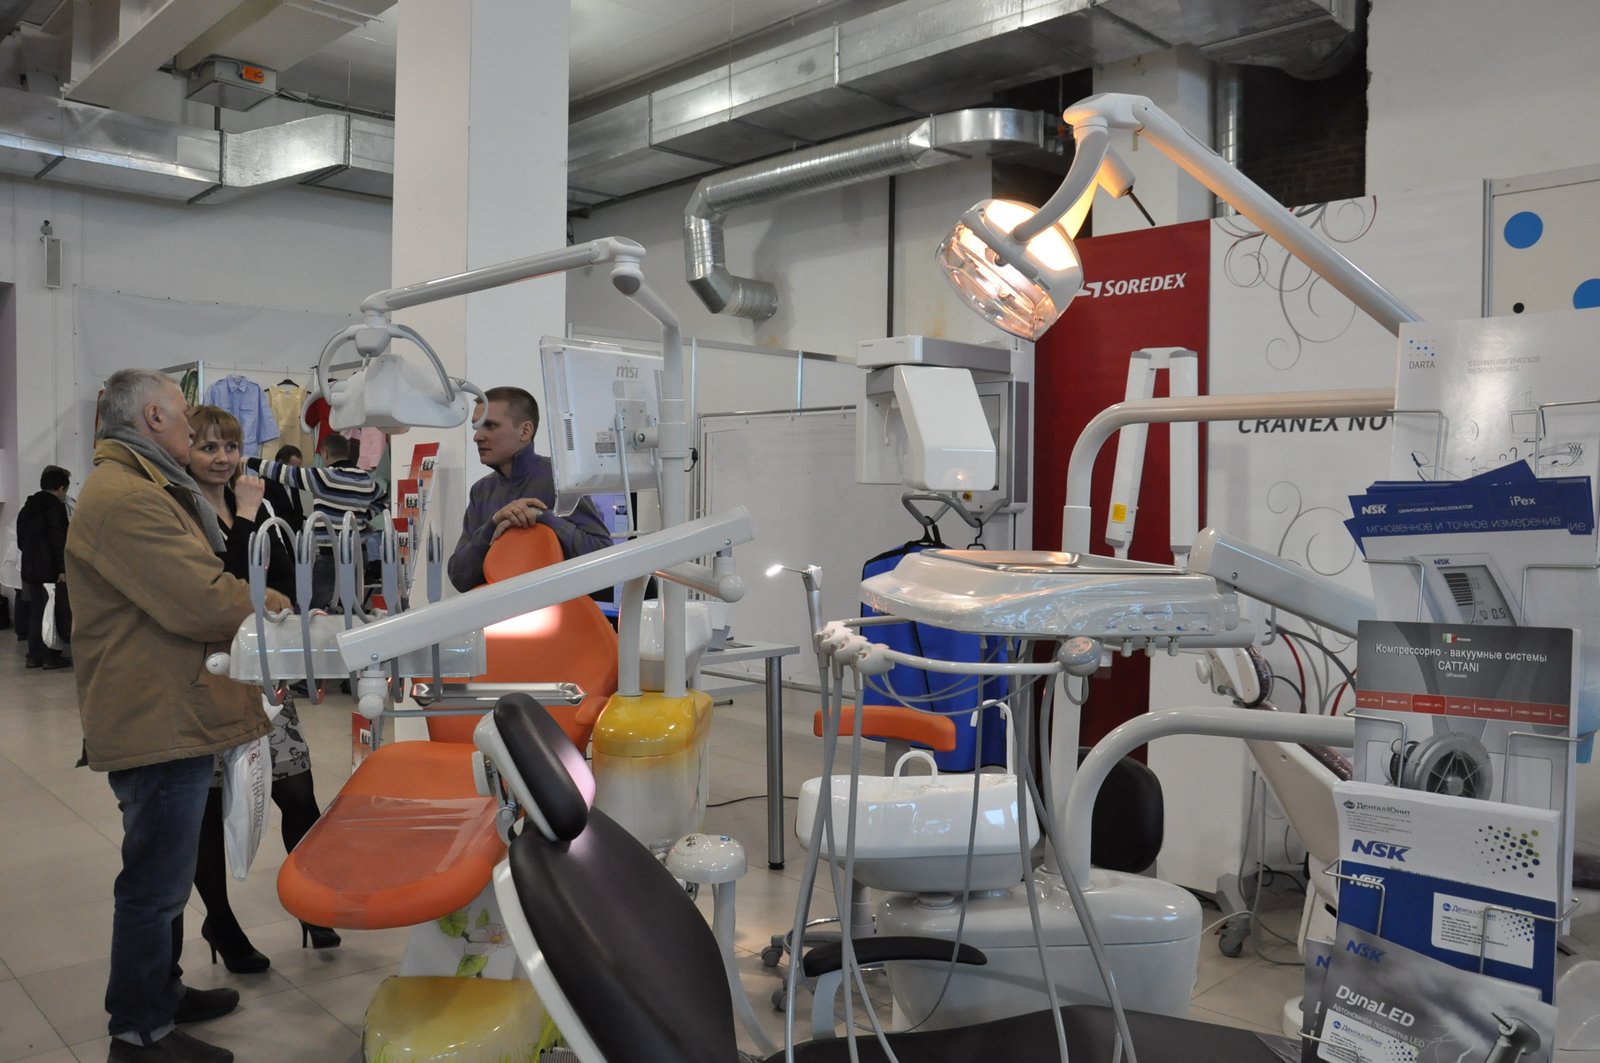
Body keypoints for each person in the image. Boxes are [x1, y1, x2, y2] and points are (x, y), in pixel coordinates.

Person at [67, 369, 290, 1063]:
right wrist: (276, 605)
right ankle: (140, 1033)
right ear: (154, 417)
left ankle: (161, 992)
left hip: (168, 704)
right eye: (182, 416)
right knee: (155, 886)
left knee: (164, 878)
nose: (194, 429)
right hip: (156, 715)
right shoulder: (127, 497)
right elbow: (200, 599)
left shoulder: (147, 486)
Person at [184, 407, 340, 975]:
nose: (222, 458)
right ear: (186, 451)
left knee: (297, 794)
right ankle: (220, 921)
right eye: (208, 447)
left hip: (265, 674)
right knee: (207, 809)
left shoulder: (260, 503)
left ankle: (312, 897)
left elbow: (277, 577)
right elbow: (224, 587)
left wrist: (294, 610)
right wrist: (247, 516)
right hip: (207, 677)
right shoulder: (184, 511)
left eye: (230, 447)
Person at [448, 386, 613, 592]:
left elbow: (604, 559)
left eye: (490, 425)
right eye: (477, 426)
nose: (477, 437)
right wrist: (492, 526)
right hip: (499, 611)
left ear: (525, 431)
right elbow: (459, 578)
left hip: (554, 608)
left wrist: (545, 518)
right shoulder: (482, 491)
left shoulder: (559, 481)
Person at [245, 434, 386, 608]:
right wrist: (363, 517)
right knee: (351, 606)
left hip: (331, 553)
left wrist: (249, 461)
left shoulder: (324, 477)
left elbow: (284, 472)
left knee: (308, 608)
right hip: (359, 553)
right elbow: (384, 501)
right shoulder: (366, 479)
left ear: (324, 453)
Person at [16, 464, 71, 669]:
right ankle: (50, 656)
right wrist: (62, 568)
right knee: (53, 612)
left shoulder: (26, 509)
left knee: (37, 611)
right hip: (51, 570)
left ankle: (34, 655)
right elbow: (59, 541)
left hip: (30, 567)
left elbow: (21, 541)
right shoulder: (55, 508)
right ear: (61, 488)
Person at [261, 444, 306, 534]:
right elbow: (273, 516)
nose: (296, 473)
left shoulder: (292, 483)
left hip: (295, 535)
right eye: (293, 469)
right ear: (280, 464)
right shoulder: (265, 483)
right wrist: (301, 524)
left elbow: (298, 513)